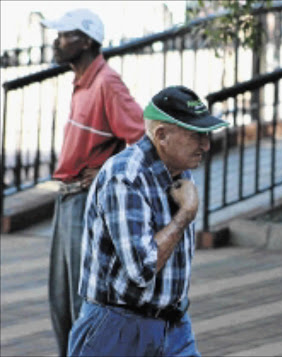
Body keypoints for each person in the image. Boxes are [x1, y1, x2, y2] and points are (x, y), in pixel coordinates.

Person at [67, 85, 229, 356]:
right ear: (162, 135)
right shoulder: (125, 177)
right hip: (117, 327)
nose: (206, 145)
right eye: (196, 135)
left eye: (206, 135)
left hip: (174, 324)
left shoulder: (180, 169)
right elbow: (141, 268)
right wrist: (184, 217)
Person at [41, 9, 145, 356]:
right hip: (67, 198)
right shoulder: (83, 80)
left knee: (79, 299)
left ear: (86, 41)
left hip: (85, 203)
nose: (56, 42)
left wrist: (105, 173)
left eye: (64, 35)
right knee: (60, 299)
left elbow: (144, 140)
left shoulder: (106, 82)